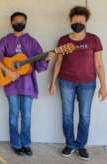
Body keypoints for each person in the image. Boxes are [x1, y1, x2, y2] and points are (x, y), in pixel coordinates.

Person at [0, 12, 54, 156]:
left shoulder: (32, 42)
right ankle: (16, 143)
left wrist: (47, 59)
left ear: (26, 22)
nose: (19, 23)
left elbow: (41, 67)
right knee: (13, 114)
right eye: (16, 21)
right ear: (11, 23)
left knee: (27, 115)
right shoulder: (5, 40)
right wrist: (8, 71)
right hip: (11, 84)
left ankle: (26, 143)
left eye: (22, 21)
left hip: (28, 85)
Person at [49, 6, 107, 160]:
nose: (78, 24)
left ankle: (81, 145)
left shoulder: (94, 40)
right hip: (66, 82)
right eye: (75, 21)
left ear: (86, 21)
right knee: (67, 115)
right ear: (70, 21)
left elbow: (99, 64)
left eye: (81, 21)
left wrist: (104, 86)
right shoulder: (63, 40)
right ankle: (70, 144)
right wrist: (53, 82)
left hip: (87, 84)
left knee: (85, 116)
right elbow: (58, 62)